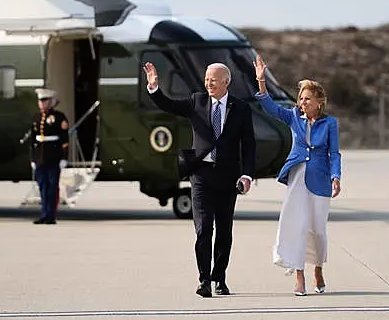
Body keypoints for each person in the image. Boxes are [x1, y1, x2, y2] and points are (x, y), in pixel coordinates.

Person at [143, 61, 256, 298]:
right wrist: (154, 88)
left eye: (213, 79)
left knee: (224, 231)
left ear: (226, 82)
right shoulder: (197, 101)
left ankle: (219, 278)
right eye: (206, 79)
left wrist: (246, 175)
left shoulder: (241, 108)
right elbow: (169, 106)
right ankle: (204, 279)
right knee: (204, 229)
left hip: (228, 177)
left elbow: (249, 146)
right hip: (201, 175)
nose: (208, 83)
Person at [253, 55, 342, 296]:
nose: (302, 102)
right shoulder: (293, 117)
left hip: (321, 180)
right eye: (301, 98)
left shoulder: (330, 123)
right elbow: (270, 107)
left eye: (307, 99)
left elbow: (334, 154)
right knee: (297, 226)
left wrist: (336, 176)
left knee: (318, 230)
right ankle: (299, 276)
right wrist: (261, 82)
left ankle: (318, 268)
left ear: (319, 102)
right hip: (297, 178)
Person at [29, 88, 70, 225]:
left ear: (51, 102)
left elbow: (64, 139)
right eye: (40, 101)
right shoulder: (36, 117)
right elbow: (33, 141)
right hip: (40, 156)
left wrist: (64, 157)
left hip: (53, 156)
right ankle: (44, 213)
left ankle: (51, 215)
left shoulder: (59, 117)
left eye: (44, 100)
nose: (41, 103)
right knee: (43, 187)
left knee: (52, 187)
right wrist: (33, 159)